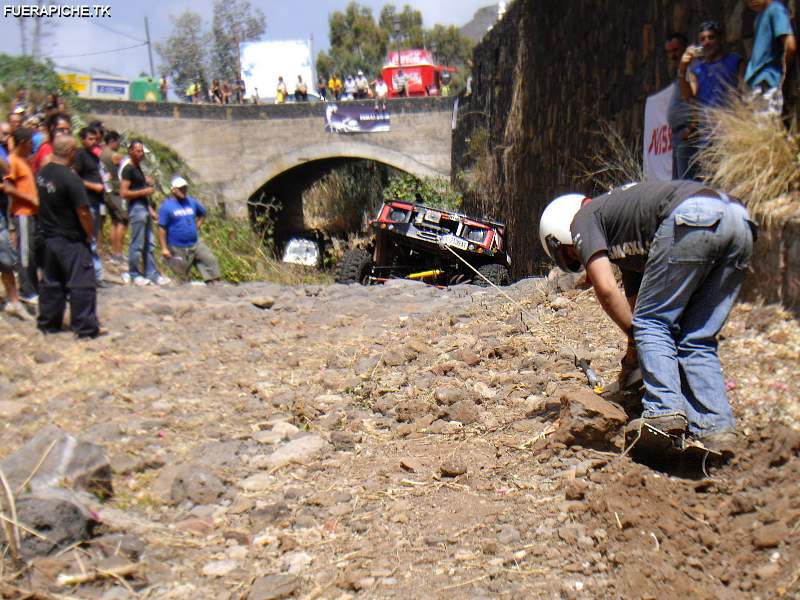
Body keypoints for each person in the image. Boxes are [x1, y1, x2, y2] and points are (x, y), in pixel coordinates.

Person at [539, 181, 754, 457]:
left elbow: (607, 291)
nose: (578, 256)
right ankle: (717, 428)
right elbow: (635, 311)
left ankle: (664, 413)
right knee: (695, 337)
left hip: (692, 217)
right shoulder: (629, 238)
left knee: (654, 323)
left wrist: (639, 334)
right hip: (738, 220)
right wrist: (632, 359)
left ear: (560, 234)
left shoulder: (583, 218)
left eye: (570, 252)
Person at [36, 135, 101, 337]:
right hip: (70, 238)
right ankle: (85, 327)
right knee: (82, 283)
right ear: (71, 152)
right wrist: (90, 234)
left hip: (49, 237)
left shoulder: (43, 173)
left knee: (52, 283)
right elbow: (83, 211)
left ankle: (49, 323)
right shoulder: (70, 178)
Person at [120, 140, 169, 286]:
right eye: (137, 151)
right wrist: (144, 191)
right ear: (130, 151)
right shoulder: (128, 169)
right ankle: (134, 273)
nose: (140, 154)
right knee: (137, 243)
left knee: (150, 242)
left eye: (141, 151)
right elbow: (124, 192)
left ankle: (151, 273)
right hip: (136, 209)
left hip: (143, 208)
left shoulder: (137, 168)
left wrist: (151, 210)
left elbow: (141, 193)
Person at [158, 176, 221, 284]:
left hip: (194, 243)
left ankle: (214, 284)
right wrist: (164, 248)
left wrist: (197, 226)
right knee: (180, 276)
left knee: (210, 261)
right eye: (181, 188)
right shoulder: (166, 207)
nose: (184, 191)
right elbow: (161, 228)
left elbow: (202, 214)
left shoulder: (191, 202)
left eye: (185, 188)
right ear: (173, 190)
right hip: (177, 246)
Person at [3, 127, 39, 304]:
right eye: (31, 142)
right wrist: (30, 198)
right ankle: (26, 290)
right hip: (22, 212)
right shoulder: (13, 161)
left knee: (32, 252)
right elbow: (8, 187)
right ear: (24, 142)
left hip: (31, 213)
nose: (33, 145)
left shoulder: (24, 160)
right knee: (25, 253)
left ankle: (32, 287)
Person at [745, 0, 797, 116]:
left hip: (767, 80)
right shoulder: (760, 16)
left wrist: (784, 72)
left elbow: (790, 45)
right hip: (757, 82)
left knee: (766, 129)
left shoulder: (775, 9)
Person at [0, 123, 29, 321]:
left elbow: (8, 168)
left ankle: (14, 301)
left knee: (6, 260)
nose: (6, 137)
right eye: (4, 134)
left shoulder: (5, 152)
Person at [73, 127, 105, 286]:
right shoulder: (80, 155)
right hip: (87, 201)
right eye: (90, 139)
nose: (94, 142)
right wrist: (93, 186)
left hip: (96, 201)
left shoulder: (94, 156)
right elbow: (75, 177)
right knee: (89, 237)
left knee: (94, 237)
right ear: (83, 140)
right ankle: (95, 275)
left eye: (95, 139)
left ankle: (95, 274)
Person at [665, 32, 695, 179]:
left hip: (686, 133)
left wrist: (690, 128)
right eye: (669, 52)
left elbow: (696, 99)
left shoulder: (690, 70)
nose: (673, 56)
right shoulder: (681, 72)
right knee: (678, 184)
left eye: (676, 50)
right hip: (678, 135)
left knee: (685, 185)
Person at [99, 130, 127, 263]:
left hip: (106, 191)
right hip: (115, 191)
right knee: (121, 221)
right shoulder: (115, 156)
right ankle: (118, 252)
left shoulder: (101, 153)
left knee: (114, 222)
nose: (119, 145)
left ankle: (114, 252)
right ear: (112, 141)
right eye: (118, 142)